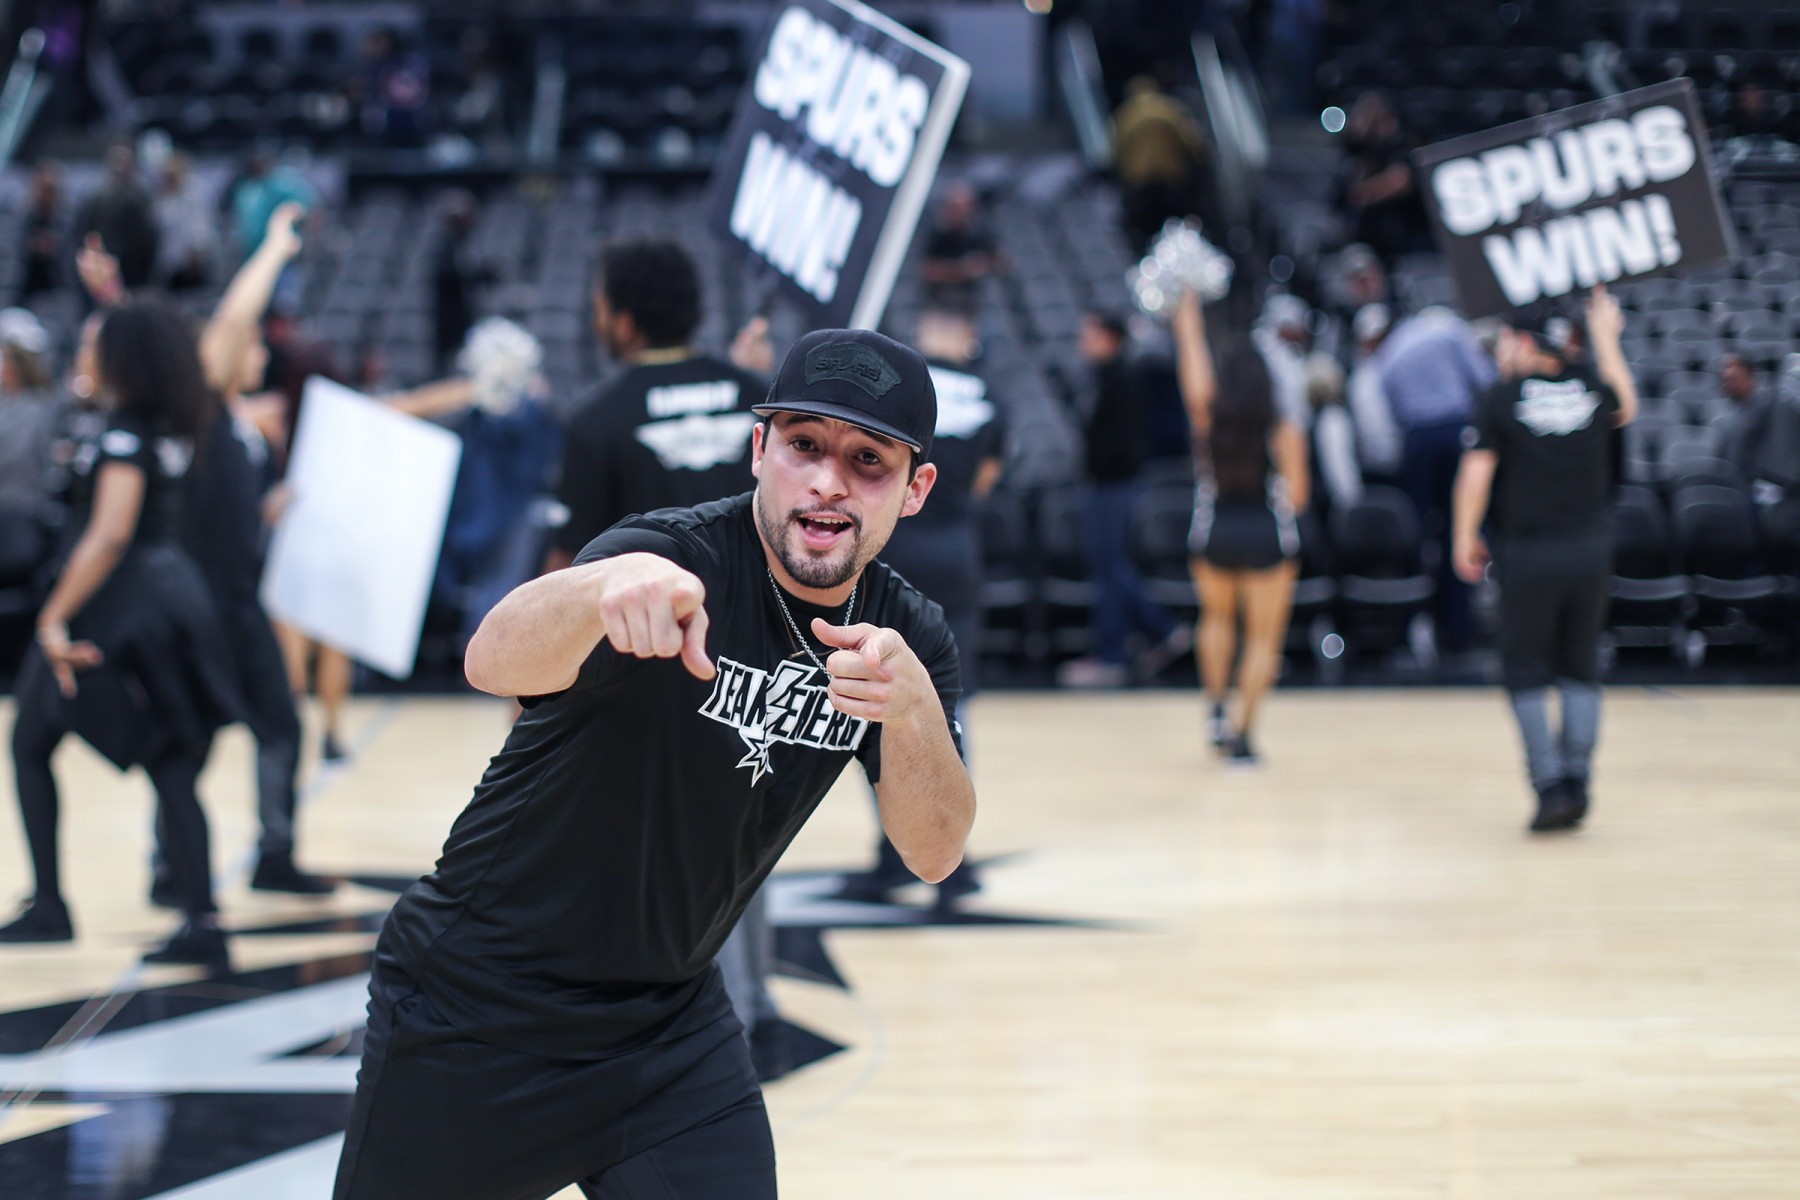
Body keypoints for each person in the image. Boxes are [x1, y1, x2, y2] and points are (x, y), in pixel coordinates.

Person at [330, 328, 974, 1200]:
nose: (827, 481)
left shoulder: (906, 636)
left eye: (868, 460)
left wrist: (914, 710)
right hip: (477, 1007)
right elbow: (489, 661)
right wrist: (598, 590)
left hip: (668, 1029)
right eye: (804, 446)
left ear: (916, 488)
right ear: (760, 450)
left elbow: (934, 852)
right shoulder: (672, 556)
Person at [0, 300, 241, 965]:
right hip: (163, 601)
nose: (82, 355)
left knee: (151, 759)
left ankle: (189, 920)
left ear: (121, 359)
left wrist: (52, 617)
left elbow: (109, 535)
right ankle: (179, 914)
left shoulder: (125, 434)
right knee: (41, 742)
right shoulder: (168, 422)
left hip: (121, 612)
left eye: (92, 345)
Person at [1451, 288, 1637, 833]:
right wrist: (1606, 339)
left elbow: (1476, 474)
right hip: (1591, 552)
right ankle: (1578, 779)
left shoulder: (1501, 397)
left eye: (1506, 341)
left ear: (1524, 342)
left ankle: (1550, 785)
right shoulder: (1593, 387)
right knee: (1581, 666)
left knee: (1526, 668)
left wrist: (1464, 536)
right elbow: (1627, 405)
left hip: (1529, 553)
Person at [837, 306, 1003, 909]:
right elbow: (986, 479)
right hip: (956, 554)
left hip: (893, 553)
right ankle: (949, 865)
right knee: (947, 708)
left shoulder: (898, 391)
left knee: (874, 702)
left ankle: (894, 856)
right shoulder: (990, 397)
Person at [546, 236, 768, 572]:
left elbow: (568, 563)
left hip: (652, 603)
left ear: (624, 324)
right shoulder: (758, 397)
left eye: (600, 308)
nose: (596, 321)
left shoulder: (595, 421)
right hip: (755, 599)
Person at [1175, 290, 1309, 765]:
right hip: (1266, 533)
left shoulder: (1209, 416)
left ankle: (1215, 708)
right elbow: (1298, 495)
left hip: (1215, 531)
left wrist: (1186, 313)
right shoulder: (1282, 428)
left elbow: (1192, 369)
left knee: (1215, 620)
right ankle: (1243, 736)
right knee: (1262, 640)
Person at [1056, 309, 1187, 689]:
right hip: (1107, 485)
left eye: (1090, 333)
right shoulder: (1105, 376)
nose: (1083, 341)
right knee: (1111, 568)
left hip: (1114, 486)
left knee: (1111, 570)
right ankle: (1158, 633)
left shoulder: (1123, 378)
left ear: (1110, 338)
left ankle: (1119, 652)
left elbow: (1118, 442)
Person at [1377, 306, 1498, 653]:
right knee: (1462, 529)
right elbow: (1484, 379)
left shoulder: (1396, 344)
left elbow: (1386, 392)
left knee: (1418, 535)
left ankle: (1415, 626)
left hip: (1417, 440)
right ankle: (1459, 628)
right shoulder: (1450, 328)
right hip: (1454, 432)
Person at [1112, 74, 1208, 250]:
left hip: (1140, 182)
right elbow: (1193, 142)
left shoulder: (1124, 115)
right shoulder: (1169, 108)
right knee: (1179, 228)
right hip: (1171, 178)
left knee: (1147, 232)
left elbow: (1116, 151)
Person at [75, 142, 159, 292]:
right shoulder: (97, 198)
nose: (121, 168)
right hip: (104, 266)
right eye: (117, 163)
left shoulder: (141, 198)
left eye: (125, 163)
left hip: (136, 269)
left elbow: (150, 236)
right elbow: (86, 233)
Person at [921, 182, 1001, 311]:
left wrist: (982, 264)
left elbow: (1000, 262)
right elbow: (928, 270)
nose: (962, 212)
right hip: (939, 304)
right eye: (957, 207)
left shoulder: (978, 234)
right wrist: (961, 270)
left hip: (970, 305)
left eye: (966, 207)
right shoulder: (937, 234)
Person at [152, 151, 218, 292]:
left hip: (192, 262)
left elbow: (200, 227)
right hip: (170, 263)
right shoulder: (165, 197)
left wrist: (196, 255)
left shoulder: (194, 193)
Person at [21, 162, 65, 299]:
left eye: (49, 191)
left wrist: (55, 247)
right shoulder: (21, 218)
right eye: (41, 190)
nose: (45, 196)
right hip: (24, 291)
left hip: (58, 291)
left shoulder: (67, 219)